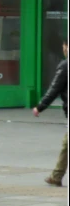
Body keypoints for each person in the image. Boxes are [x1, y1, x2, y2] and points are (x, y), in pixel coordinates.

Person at [34, 39, 68, 187]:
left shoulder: (66, 65)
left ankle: (56, 176)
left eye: (63, 46)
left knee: (67, 144)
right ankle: (56, 175)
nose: (63, 49)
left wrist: (40, 106)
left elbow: (55, 88)